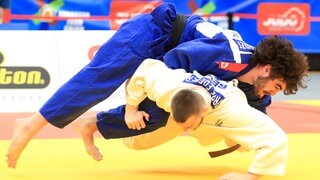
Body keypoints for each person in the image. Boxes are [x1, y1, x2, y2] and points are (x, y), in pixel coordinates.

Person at [6, 2, 308, 168]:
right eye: (277, 85)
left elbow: (259, 114)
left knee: (164, 114)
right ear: (266, 68)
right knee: (99, 80)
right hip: (153, 33)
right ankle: (30, 125)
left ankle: (92, 124)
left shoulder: (250, 81)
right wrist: (131, 107)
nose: (273, 92)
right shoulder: (230, 56)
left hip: (167, 58)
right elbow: (160, 68)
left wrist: (247, 140)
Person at [74, 59, 290, 180]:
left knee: (241, 144)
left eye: (188, 125)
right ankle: (91, 123)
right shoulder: (168, 86)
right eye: (184, 125)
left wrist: (250, 177)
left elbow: (276, 138)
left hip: (221, 116)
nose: (185, 129)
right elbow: (145, 67)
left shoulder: (234, 109)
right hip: (187, 103)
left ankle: (231, 139)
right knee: (137, 141)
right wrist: (131, 109)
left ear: (202, 111)